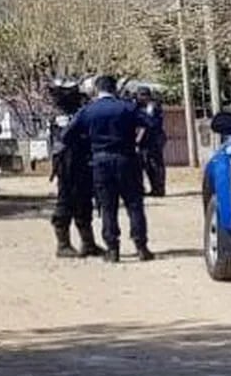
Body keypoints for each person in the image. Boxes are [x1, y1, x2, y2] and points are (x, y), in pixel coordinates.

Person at [61, 75, 153, 263]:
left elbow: (66, 135)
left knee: (108, 207)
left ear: (96, 89)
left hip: (100, 162)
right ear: (115, 89)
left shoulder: (88, 110)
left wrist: (87, 143)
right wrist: (137, 142)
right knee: (134, 204)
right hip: (127, 159)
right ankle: (141, 246)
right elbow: (151, 124)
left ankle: (113, 250)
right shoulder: (127, 107)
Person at [47, 78, 103, 258]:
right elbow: (67, 137)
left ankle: (88, 243)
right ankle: (63, 245)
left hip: (82, 160)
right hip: (67, 161)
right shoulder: (62, 115)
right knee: (66, 201)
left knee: (84, 201)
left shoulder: (78, 111)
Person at [135, 86, 167, 197]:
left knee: (155, 165)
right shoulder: (139, 107)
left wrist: (138, 139)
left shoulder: (153, 107)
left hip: (154, 140)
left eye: (144, 95)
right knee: (145, 165)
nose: (141, 98)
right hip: (145, 141)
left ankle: (159, 189)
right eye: (140, 95)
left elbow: (148, 123)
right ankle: (152, 188)